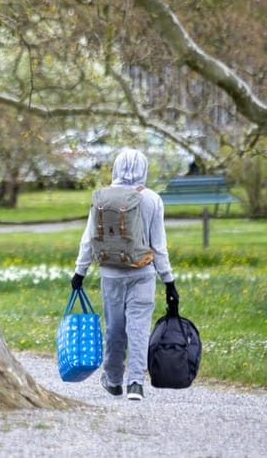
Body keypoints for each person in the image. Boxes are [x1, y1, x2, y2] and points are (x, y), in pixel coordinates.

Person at [70, 148, 179, 401]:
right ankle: (136, 384)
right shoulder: (152, 199)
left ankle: (113, 380)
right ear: (144, 169)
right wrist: (169, 280)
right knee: (139, 329)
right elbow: (159, 246)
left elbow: (88, 239)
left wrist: (80, 271)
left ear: (116, 168)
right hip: (143, 273)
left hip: (111, 274)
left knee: (115, 328)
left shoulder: (101, 198)